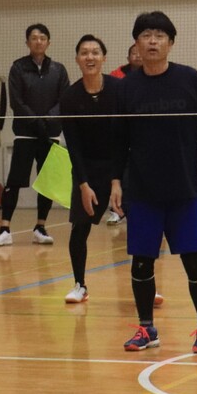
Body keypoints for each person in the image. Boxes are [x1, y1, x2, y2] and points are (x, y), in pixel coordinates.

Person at [111, 11, 197, 354]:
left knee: (193, 260)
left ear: (171, 43)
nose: (153, 41)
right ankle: (146, 329)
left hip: (183, 188)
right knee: (141, 261)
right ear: (136, 43)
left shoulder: (190, 79)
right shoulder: (126, 87)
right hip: (142, 190)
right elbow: (119, 140)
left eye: (160, 35)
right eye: (146, 35)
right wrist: (116, 181)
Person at [0, 23, 70, 247]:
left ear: (49, 42)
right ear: (27, 42)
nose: (38, 41)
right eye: (34, 38)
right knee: (14, 181)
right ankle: (5, 228)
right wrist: (35, 121)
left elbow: (64, 100)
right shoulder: (18, 68)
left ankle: (40, 227)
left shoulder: (59, 70)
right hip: (25, 134)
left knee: (46, 182)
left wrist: (48, 121)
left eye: (42, 38)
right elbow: (16, 101)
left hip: (50, 134)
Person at [59, 35, 119, 304]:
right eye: (84, 53)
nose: (90, 57)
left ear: (104, 58)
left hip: (120, 165)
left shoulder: (118, 89)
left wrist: (118, 179)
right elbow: (73, 146)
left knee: (142, 223)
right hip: (88, 169)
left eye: (95, 52)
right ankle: (80, 285)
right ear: (77, 59)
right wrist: (83, 185)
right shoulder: (70, 97)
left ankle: (146, 283)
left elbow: (126, 135)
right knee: (80, 228)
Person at [105, 44, 141, 224]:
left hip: (141, 134)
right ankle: (117, 209)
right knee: (119, 173)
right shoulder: (116, 77)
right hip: (121, 132)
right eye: (134, 53)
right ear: (128, 58)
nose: (137, 56)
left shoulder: (151, 77)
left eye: (139, 53)